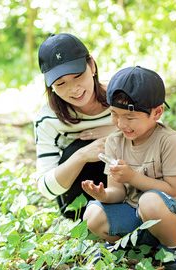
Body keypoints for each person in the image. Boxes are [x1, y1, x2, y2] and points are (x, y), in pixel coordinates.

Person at [81, 66, 176, 269]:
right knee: (93, 214)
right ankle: (125, 245)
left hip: (169, 216)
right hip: (134, 214)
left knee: (149, 201)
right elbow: (117, 191)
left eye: (130, 117)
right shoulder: (115, 142)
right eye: (115, 114)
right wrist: (103, 195)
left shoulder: (169, 141)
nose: (121, 123)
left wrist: (132, 176)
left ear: (157, 112)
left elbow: (175, 191)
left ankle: (173, 247)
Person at [33, 33, 116, 220]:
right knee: (77, 148)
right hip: (80, 202)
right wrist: (83, 154)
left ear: (92, 66)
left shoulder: (121, 94)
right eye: (60, 83)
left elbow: (159, 135)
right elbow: (47, 188)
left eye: (78, 76)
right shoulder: (48, 119)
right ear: (50, 86)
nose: (74, 88)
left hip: (130, 183)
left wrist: (116, 131)